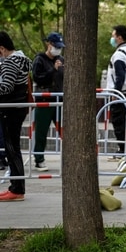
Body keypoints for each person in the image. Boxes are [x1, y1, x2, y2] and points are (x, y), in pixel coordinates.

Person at [0, 31, 33, 201]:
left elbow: (5, 87)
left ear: (2, 48)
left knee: (12, 149)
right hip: (18, 108)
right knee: (13, 148)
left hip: (10, 109)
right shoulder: (22, 59)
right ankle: (16, 186)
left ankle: (17, 189)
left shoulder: (9, 62)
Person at [31, 32, 65, 172]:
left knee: (65, 130)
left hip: (59, 99)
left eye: (59, 47)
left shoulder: (61, 59)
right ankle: (39, 159)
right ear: (49, 44)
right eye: (55, 46)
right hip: (44, 100)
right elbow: (37, 78)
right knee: (41, 132)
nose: (57, 49)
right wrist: (53, 70)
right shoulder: (39, 59)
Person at [106, 25, 126, 158]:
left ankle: (122, 149)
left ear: (119, 37)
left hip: (121, 93)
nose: (112, 39)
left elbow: (120, 76)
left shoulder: (118, 55)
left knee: (119, 122)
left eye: (113, 36)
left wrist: (115, 92)